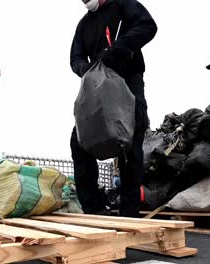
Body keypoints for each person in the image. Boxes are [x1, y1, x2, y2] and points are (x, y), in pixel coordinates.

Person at [70, 0, 157, 217]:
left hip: (128, 81)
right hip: (98, 87)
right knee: (79, 140)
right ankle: (93, 208)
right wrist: (86, 68)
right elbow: (75, 58)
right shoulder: (84, 24)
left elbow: (148, 26)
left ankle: (129, 211)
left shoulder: (123, 5)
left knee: (132, 141)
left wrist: (119, 49)